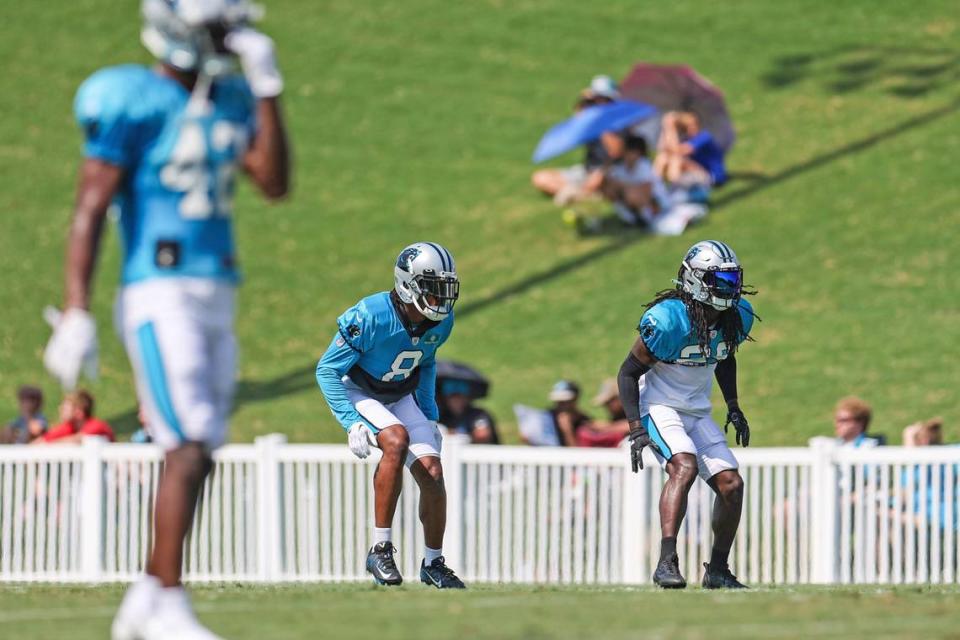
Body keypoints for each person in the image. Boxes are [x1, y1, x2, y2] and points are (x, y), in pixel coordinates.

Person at [41, 1, 291, 637]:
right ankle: (171, 608)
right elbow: (90, 207)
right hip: (159, 291)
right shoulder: (134, 98)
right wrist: (76, 309)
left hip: (217, 289)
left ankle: (146, 598)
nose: (231, 37)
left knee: (203, 448)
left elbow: (274, 180)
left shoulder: (233, 96)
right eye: (219, 26)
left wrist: (268, 89)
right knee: (184, 443)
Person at [316, 242, 466, 589]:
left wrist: (429, 415)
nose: (440, 299)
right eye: (432, 289)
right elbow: (327, 371)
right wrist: (349, 420)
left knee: (432, 471)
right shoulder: (370, 315)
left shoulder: (440, 323)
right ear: (408, 285)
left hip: (400, 394)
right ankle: (380, 549)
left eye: (445, 289)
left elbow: (425, 363)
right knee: (395, 440)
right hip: (360, 390)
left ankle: (433, 563)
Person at [616, 240, 758, 589]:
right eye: (719, 280)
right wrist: (636, 428)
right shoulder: (669, 320)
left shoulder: (734, 316)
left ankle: (718, 571)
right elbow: (627, 373)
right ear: (695, 281)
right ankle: (667, 562)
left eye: (731, 279)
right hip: (659, 406)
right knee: (685, 465)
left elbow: (725, 356)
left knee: (732, 485)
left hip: (696, 411)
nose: (729, 288)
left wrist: (734, 406)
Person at [531, 75, 624, 205]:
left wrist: (604, 126)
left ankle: (582, 196)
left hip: (610, 173)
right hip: (587, 170)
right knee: (540, 178)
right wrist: (583, 100)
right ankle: (583, 196)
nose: (600, 102)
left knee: (608, 188)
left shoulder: (619, 122)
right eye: (597, 98)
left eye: (604, 99)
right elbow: (576, 121)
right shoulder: (590, 118)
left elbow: (616, 152)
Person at [601, 133, 670, 226]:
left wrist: (623, 186)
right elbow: (609, 185)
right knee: (610, 189)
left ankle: (642, 218)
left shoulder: (644, 166)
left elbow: (647, 192)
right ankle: (631, 217)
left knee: (631, 194)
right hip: (636, 203)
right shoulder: (621, 168)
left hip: (656, 204)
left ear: (637, 152)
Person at [654, 111, 727, 188]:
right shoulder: (686, 139)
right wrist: (665, 128)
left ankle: (674, 188)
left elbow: (677, 151)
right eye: (686, 127)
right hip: (696, 172)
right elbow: (662, 149)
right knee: (663, 157)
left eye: (693, 125)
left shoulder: (704, 137)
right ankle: (655, 186)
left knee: (677, 159)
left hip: (711, 177)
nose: (691, 128)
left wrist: (670, 128)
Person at [36, 390, 115, 444]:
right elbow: (44, 440)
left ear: (79, 412)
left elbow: (78, 440)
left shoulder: (97, 426)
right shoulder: (69, 427)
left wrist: (47, 446)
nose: (60, 409)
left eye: (65, 408)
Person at [437, 379, 499, 444]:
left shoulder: (478, 414)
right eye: (452, 396)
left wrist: (457, 436)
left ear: (468, 397)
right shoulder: (442, 416)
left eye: (460, 396)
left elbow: (482, 436)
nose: (456, 400)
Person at [574, 379, 630, 447]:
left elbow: (635, 426)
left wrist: (606, 427)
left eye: (608, 402)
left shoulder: (638, 410)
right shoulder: (618, 416)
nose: (606, 407)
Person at [546, 380, 592, 447]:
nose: (560, 405)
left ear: (575, 400)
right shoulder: (548, 418)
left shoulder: (583, 422)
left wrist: (567, 430)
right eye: (558, 401)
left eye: (565, 402)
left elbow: (577, 454)